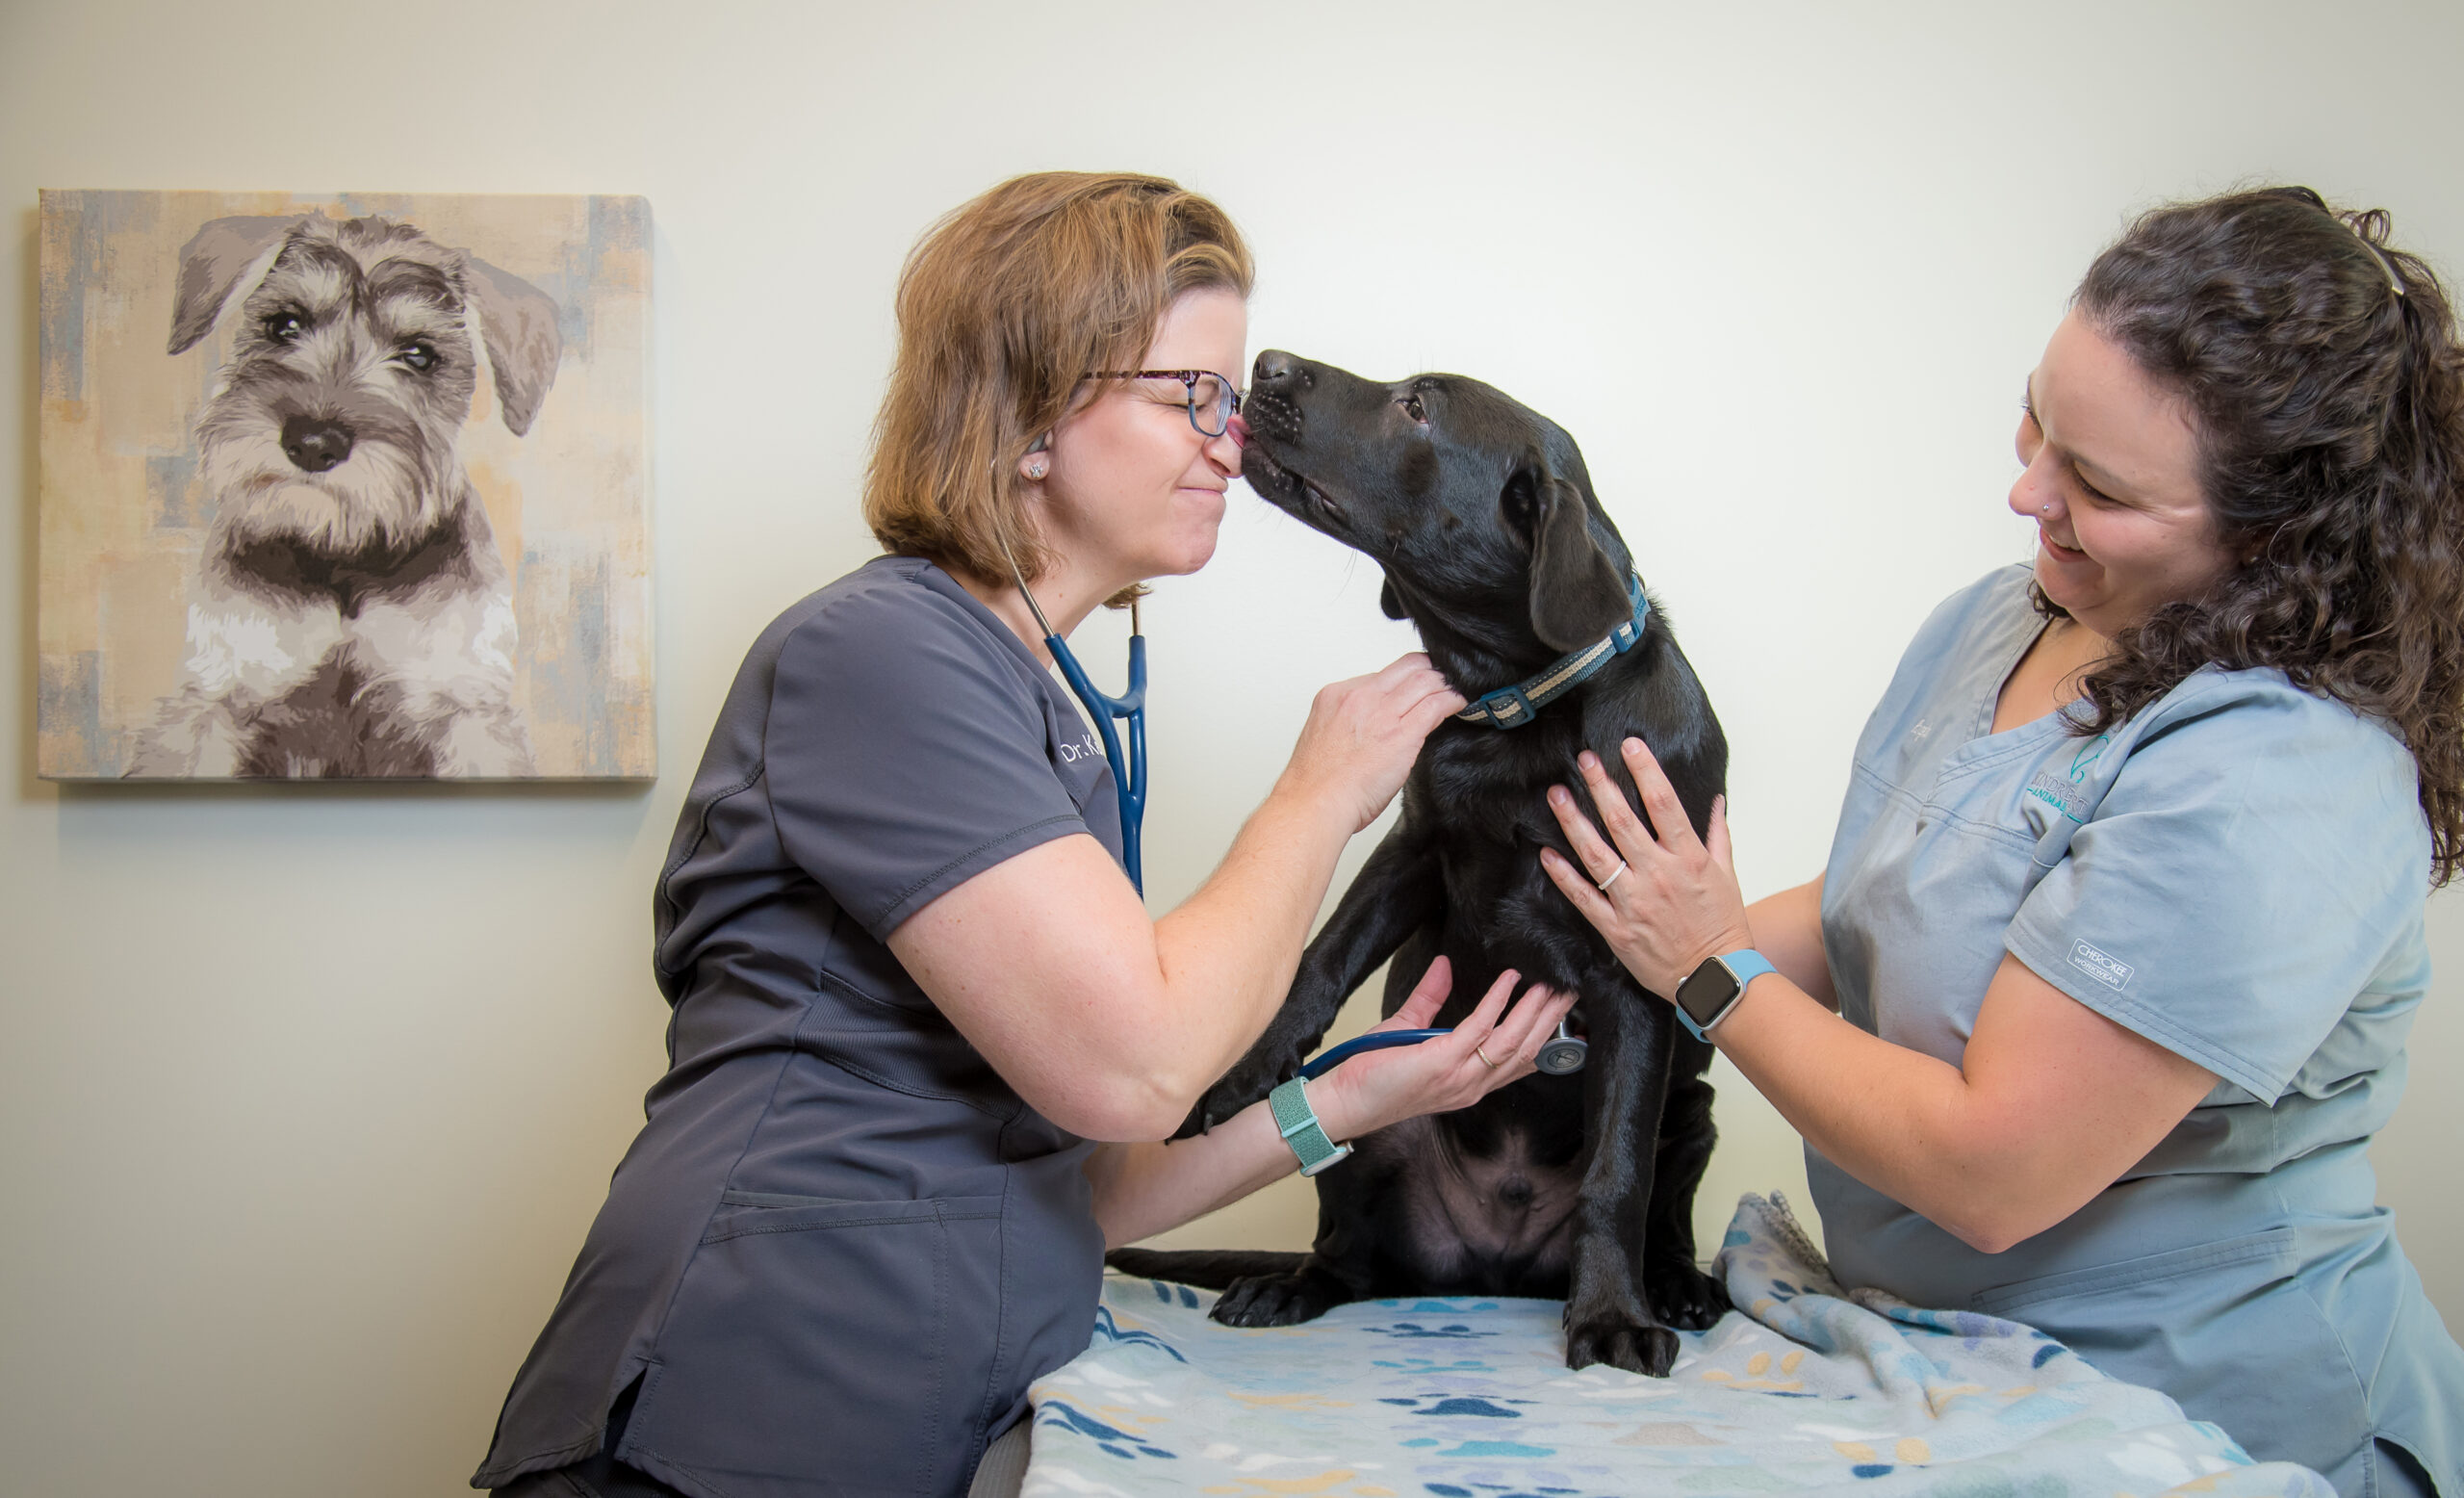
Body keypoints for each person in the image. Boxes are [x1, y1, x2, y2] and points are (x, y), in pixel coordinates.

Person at [471, 171, 1578, 1498]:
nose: (1233, 445)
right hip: (738, 1412)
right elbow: (1138, 1069)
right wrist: (1320, 794)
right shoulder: (875, 655)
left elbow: (1081, 1194)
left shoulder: (1031, 704)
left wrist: (1357, 1096)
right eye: (1194, 398)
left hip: (924, 1417)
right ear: (1033, 413)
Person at [1537, 186, 2464, 1497]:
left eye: (2098, 484)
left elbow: (1993, 1171)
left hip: (2189, 1413)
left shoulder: (2287, 772)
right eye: (2040, 416)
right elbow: (1875, 908)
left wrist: (1704, 969)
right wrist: (1612, 948)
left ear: (2274, 531)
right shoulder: (1996, 620)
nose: (2026, 488)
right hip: (1951, 1357)